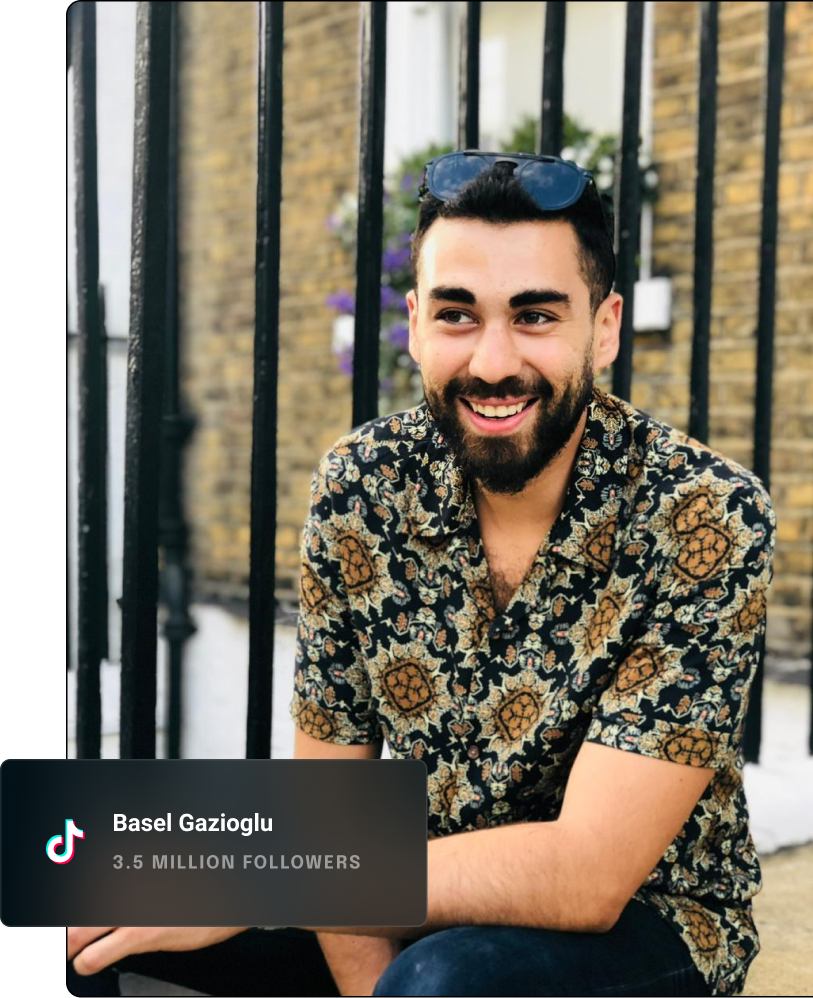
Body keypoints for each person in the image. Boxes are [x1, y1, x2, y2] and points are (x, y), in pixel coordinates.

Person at [69, 150, 775, 997]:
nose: (491, 361)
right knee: (76, 873)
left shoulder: (702, 512)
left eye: (536, 316)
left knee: (442, 982)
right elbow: (334, 806)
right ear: (413, 324)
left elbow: (586, 875)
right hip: (398, 885)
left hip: (645, 923)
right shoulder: (362, 485)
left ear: (606, 326)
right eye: (457, 315)